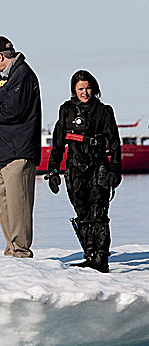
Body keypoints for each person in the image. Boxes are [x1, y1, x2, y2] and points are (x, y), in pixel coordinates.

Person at [46, 70, 121, 273]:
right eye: (81, 89)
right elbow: (59, 143)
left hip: (99, 166)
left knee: (99, 213)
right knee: (82, 212)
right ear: (74, 90)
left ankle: (101, 258)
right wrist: (53, 171)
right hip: (74, 168)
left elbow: (114, 142)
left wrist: (115, 167)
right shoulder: (66, 110)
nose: (85, 92)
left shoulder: (104, 111)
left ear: (94, 88)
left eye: (88, 88)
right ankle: (89, 255)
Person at [0, 36, 42, 258]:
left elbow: (13, 111)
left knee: (18, 206)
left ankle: (21, 252)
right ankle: (12, 251)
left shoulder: (22, 75)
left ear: (0, 56)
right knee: (6, 207)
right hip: (4, 153)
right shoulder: (8, 77)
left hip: (17, 152)